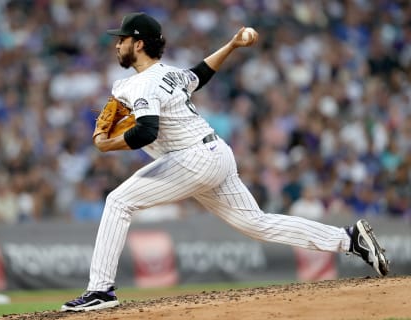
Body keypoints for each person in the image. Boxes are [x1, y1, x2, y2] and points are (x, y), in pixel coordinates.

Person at [61, 12, 389, 312]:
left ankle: (100, 290)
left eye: (123, 38)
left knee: (118, 202)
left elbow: (147, 131)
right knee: (256, 223)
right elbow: (199, 75)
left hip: (192, 159)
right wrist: (231, 44)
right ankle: (350, 239)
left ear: (140, 43)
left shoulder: (141, 84)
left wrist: (108, 145)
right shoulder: (169, 74)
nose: (117, 43)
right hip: (215, 153)